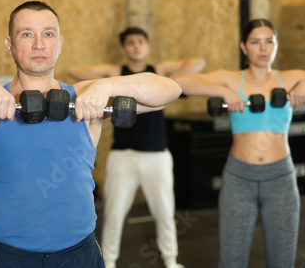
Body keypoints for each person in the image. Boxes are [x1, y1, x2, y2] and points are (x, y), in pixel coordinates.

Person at [0, 1, 182, 268]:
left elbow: (169, 91)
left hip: (79, 255)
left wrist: (106, 87)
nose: (39, 44)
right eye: (27, 35)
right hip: (8, 257)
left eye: (48, 34)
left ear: (60, 44)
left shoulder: (86, 98)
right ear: (9, 44)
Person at [174, 19, 305, 268]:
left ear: (276, 45)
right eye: (255, 42)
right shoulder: (231, 79)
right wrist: (223, 92)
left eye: (270, 41)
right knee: (232, 262)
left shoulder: (289, 78)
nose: (263, 48)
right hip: (239, 179)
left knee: (282, 262)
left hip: (280, 179)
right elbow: (182, 83)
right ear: (243, 47)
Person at [68, 27, 205, 268]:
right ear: (124, 49)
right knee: (114, 213)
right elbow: (73, 71)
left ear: (147, 46)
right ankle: (108, 262)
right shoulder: (116, 73)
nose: (136, 46)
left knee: (164, 212)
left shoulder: (158, 72)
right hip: (124, 156)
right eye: (130, 43)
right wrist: (111, 84)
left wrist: (169, 81)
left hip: (157, 155)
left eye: (140, 42)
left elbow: (198, 62)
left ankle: (171, 260)